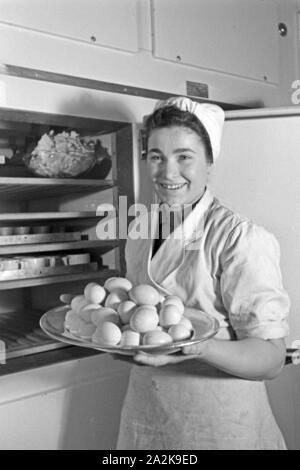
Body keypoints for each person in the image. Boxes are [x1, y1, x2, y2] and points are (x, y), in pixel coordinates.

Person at [116, 96, 290, 450]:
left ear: (209, 162)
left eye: (184, 157)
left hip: (222, 423)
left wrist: (199, 348)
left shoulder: (239, 237)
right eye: (156, 156)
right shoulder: (138, 232)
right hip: (148, 416)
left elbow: (271, 359)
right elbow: (145, 322)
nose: (167, 172)